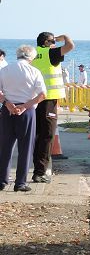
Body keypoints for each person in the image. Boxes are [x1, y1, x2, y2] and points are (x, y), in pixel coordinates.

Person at [0, 46, 47, 192]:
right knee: (25, 148)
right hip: (26, 112)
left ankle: (2, 180)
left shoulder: (5, 70)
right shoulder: (34, 71)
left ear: (17, 55)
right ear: (31, 58)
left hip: (7, 109)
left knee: (5, 147)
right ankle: (20, 183)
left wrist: (7, 103)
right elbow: (42, 95)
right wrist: (25, 106)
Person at [30, 32, 73, 184]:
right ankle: (39, 172)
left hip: (34, 100)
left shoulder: (32, 54)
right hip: (48, 100)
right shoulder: (51, 52)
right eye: (53, 41)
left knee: (36, 135)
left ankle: (37, 169)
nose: (55, 43)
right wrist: (64, 37)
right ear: (47, 42)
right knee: (47, 135)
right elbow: (70, 46)